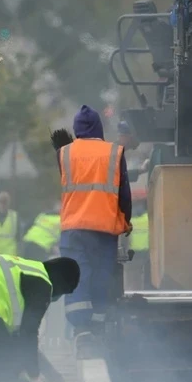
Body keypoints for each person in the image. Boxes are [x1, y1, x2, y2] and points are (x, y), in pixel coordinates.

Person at [57, 105, 132, 358]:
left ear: (77, 130)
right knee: (101, 276)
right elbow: (124, 195)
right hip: (103, 229)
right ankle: (98, 327)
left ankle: (81, 331)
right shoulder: (114, 153)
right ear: (99, 127)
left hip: (73, 229)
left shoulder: (64, 153)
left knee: (77, 275)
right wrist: (126, 222)